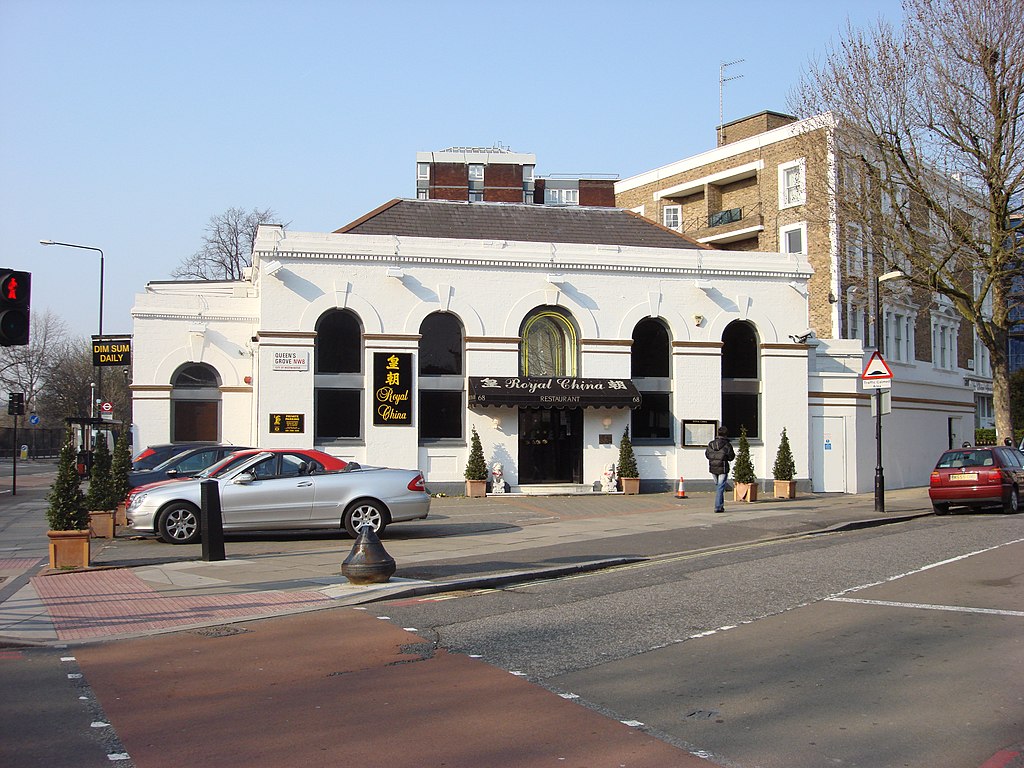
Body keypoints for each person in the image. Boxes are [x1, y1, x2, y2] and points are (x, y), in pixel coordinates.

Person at [706, 426, 735, 514]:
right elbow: (731, 457)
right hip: (723, 467)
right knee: (720, 487)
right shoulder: (727, 444)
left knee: (719, 487)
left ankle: (720, 505)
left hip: (713, 467)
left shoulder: (711, 444)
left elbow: (707, 455)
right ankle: (718, 506)